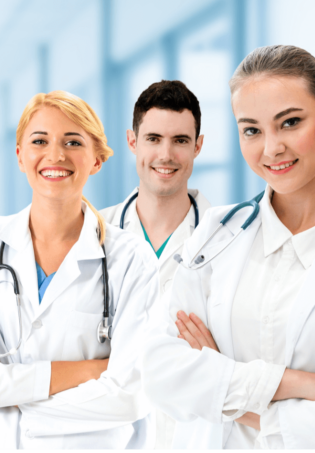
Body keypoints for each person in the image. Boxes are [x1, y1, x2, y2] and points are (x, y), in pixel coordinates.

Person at [142, 45, 315, 449]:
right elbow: (160, 372)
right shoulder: (215, 235)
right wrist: (302, 384)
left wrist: (223, 383)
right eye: (252, 130)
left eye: (290, 122)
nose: (271, 148)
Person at [0, 90, 159, 449]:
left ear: (97, 159)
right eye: (39, 140)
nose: (55, 155)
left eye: (73, 142)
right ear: (20, 156)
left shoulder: (130, 259)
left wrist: (12, 398)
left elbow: (131, 394)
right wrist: (90, 372)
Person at [98, 80, 212, 449]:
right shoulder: (90, 236)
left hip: (191, 435)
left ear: (198, 146)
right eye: (153, 139)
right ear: (132, 142)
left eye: (180, 141)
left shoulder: (227, 243)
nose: (166, 154)